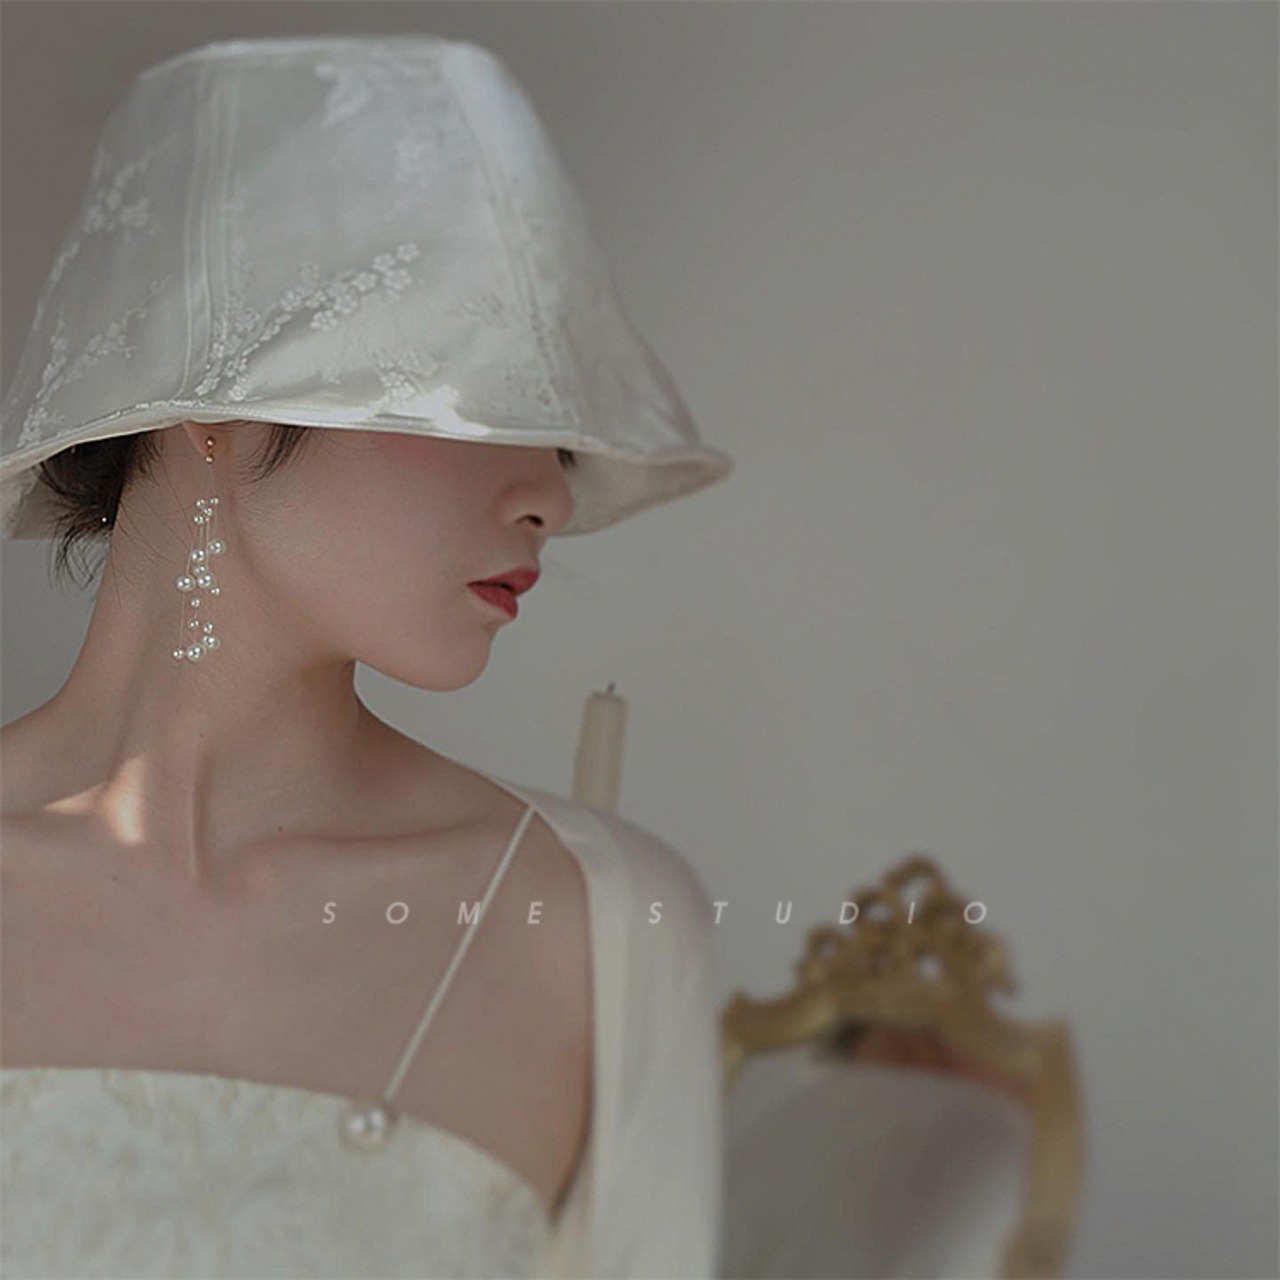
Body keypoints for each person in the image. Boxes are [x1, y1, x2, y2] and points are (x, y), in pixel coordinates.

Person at [0, 34, 733, 1279]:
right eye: (482, 401)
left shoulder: (592, 926)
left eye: (559, 435)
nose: (550, 496)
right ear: (215, 412)